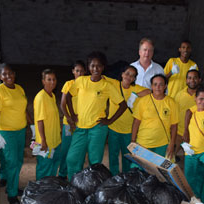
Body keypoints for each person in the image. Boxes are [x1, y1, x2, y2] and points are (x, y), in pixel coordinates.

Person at [63, 52, 128, 180]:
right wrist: (72, 115)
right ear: (88, 67)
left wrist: (109, 120)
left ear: (103, 67)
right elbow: (68, 96)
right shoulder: (81, 81)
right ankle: (74, 185)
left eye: (99, 66)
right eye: (92, 66)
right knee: (72, 159)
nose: (95, 69)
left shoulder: (107, 85)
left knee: (94, 161)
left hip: (97, 128)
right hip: (80, 127)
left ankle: (92, 187)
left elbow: (123, 105)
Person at [0, 63, 31, 204]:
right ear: (0, 77)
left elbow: (24, 108)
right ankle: (12, 194)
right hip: (7, 132)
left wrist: (31, 124)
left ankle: (11, 186)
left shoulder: (19, 89)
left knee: (19, 160)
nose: (8, 76)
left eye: (10, 73)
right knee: (12, 162)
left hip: (20, 131)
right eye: (4, 74)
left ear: (14, 74)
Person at [107, 65, 150, 175]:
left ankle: (126, 176)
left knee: (127, 156)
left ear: (134, 79)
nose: (129, 77)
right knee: (113, 155)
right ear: (122, 74)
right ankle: (114, 175)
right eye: (127, 73)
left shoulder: (135, 88)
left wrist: (136, 95)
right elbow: (100, 78)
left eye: (132, 76)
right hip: (113, 128)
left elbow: (149, 91)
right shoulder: (114, 84)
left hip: (128, 130)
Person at [131, 74, 178, 160]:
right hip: (143, 142)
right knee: (139, 169)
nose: (158, 87)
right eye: (155, 84)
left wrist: (172, 144)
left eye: (161, 84)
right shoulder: (143, 101)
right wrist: (133, 141)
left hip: (163, 144)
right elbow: (136, 122)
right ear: (151, 86)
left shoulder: (171, 102)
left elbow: (174, 126)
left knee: (161, 171)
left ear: (165, 86)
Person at [59, 61, 86, 179]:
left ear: (85, 72)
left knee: (79, 149)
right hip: (68, 123)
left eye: (81, 71)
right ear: (73, 72)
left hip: (82, 124)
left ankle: (77, 173)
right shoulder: (69, 84)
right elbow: (62, 104)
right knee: (66, 148)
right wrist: (69, 119)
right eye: (77, 71)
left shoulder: (86, 84)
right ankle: (62, 173)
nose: (79, 73)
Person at [33, 69, 62, 180]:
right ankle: (40, 192)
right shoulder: (40, 97)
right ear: (43, 81)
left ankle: (49, 190)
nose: (52, 82)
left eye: (54, 79)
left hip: (55, 140)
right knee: (44, 168)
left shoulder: (52, 96)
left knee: (53, 166)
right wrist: (43, 141)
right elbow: (40, 120)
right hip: (45, 142)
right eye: (49, 79)